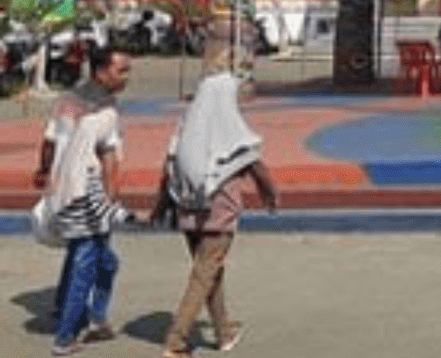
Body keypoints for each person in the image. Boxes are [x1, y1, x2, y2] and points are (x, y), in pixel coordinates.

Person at [155, 70, 279, 357]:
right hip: (219, 214)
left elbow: (168, 165)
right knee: (202, 277)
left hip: (188, 211)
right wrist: (270, 193)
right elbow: (255, 164)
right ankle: (175, 342)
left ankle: (224, 333)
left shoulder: (187, 126)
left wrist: (161, 204)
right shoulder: (229, 127)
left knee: (209, 273)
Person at [33, 45, 132, 357]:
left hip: (63, 189)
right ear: (101, 72)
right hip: (87, 194)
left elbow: (49, 142)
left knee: (94, 257)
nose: (126, 77)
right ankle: (68, 333)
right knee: (87, 260)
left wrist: (44, 170)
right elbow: (109, 158)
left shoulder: (67, 100)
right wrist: (111, 199)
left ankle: (79, 313)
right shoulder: (105, 110)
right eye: (121, 70)